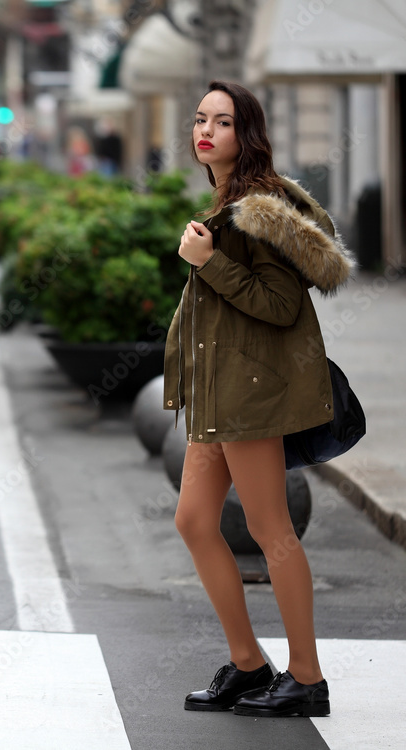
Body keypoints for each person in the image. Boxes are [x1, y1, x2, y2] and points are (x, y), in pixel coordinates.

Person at [163, 80, 354, 718]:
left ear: (248, 133)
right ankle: (249, 665)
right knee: (194, 520)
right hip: (220, 393)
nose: (205, 131)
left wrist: (208, 260)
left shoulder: (259, 209)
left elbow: (277, 306)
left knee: (271, 530)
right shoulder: (226, 200)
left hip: (251, 393)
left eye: (222, 121)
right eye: (199, 119)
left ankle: (306, 678)